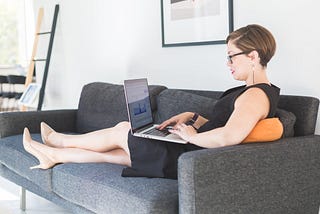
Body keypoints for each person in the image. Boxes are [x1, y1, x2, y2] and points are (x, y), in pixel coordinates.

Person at [22, 24, 280, 179]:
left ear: (253, 55)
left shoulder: (256, 95)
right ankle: (53, 154)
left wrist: (190, 136)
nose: (228, 63)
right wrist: (191, 117)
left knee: (125, 129)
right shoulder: (249, 92)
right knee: (117, 155)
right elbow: (221, 125)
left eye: (232, 57)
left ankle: (60, 140)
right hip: (191, 151)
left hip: (191, 157)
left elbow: (227, 138)